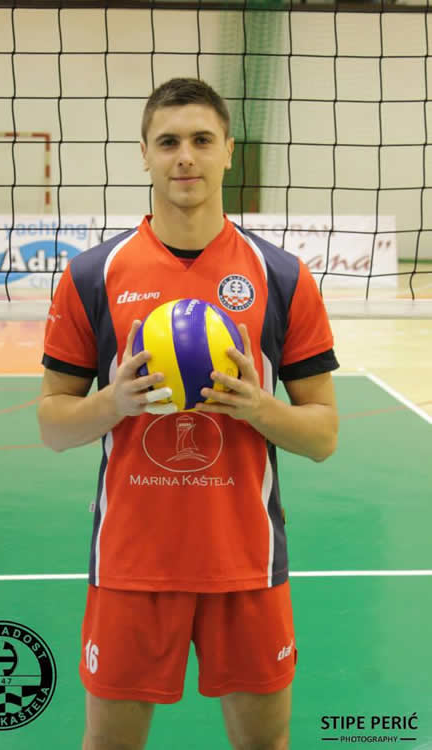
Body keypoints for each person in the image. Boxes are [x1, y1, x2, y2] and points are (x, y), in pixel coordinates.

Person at [38, 77, 339, 750]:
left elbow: (323, 435)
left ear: (228, 151)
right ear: (144, 153)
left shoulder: (282, 276)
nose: (185, 157)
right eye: (168, 141)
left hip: (247, 564)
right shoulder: (92, 275)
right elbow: (52, 425)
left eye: (202, 140)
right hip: (130, 565)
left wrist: (257, 407)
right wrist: (114, 401)